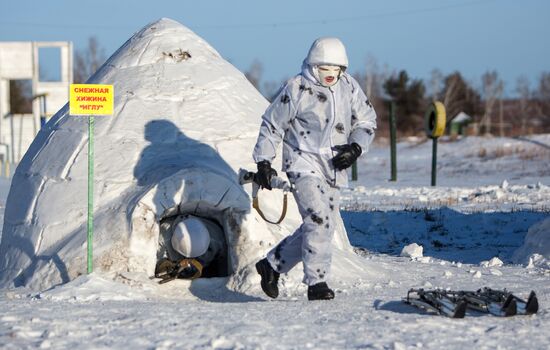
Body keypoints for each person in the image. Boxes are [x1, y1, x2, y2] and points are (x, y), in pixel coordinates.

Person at [252, 37, 377, 300]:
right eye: (324, 69)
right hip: (302, 161)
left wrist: (355, 148)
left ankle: (272, 264)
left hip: (333, 165)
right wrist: (264, 161)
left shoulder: (349, 87)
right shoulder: (296, 88)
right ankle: (316, 283)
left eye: (337, 69)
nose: (331, 75)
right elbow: (272, 125)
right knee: (318, 218)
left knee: (323, 224)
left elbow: (367, 121)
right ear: (313, 65)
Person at [155, 214, 228, 281]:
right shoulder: (162, 238)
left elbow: (224, 260)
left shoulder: (218, 238)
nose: (189, 260)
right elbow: (159, 259)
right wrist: (163, 265)